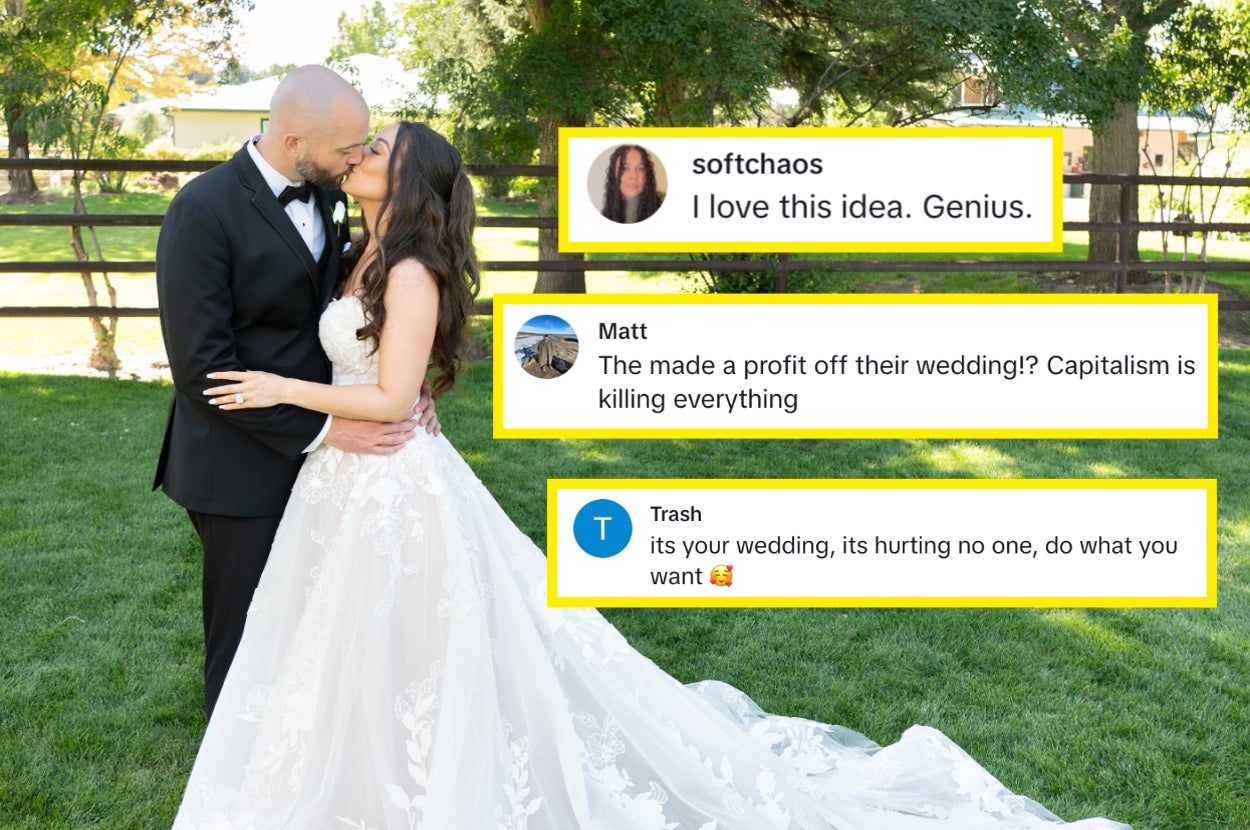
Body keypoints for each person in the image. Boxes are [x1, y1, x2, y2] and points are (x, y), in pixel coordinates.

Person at [171, 121, 1128, 830]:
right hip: (345, 481)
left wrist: (277, 389)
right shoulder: (356, 247)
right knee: (348, 643)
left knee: (417, 647)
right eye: (363, 142)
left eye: (379, 145)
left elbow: (389, 398)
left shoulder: (413, 269)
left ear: (408, 175)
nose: (361, 149)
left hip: (387, 478)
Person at [153, 65, 438, 718]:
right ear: (293, 143)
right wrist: (327, 430)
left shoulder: (330, 197)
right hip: (237, 461)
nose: (356, 159)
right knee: (247, 623)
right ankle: (230, 774)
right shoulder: (202, 211)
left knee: (308, 615)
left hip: (326, 460)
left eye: (366, 147)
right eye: (348, 149)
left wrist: (402, 384)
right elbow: (202, 370)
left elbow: (356, 313)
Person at [601, 144, 663, 224]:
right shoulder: (606, 214)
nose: (634, 175)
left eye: (640, 169)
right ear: (613, 175)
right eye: (625, 168)